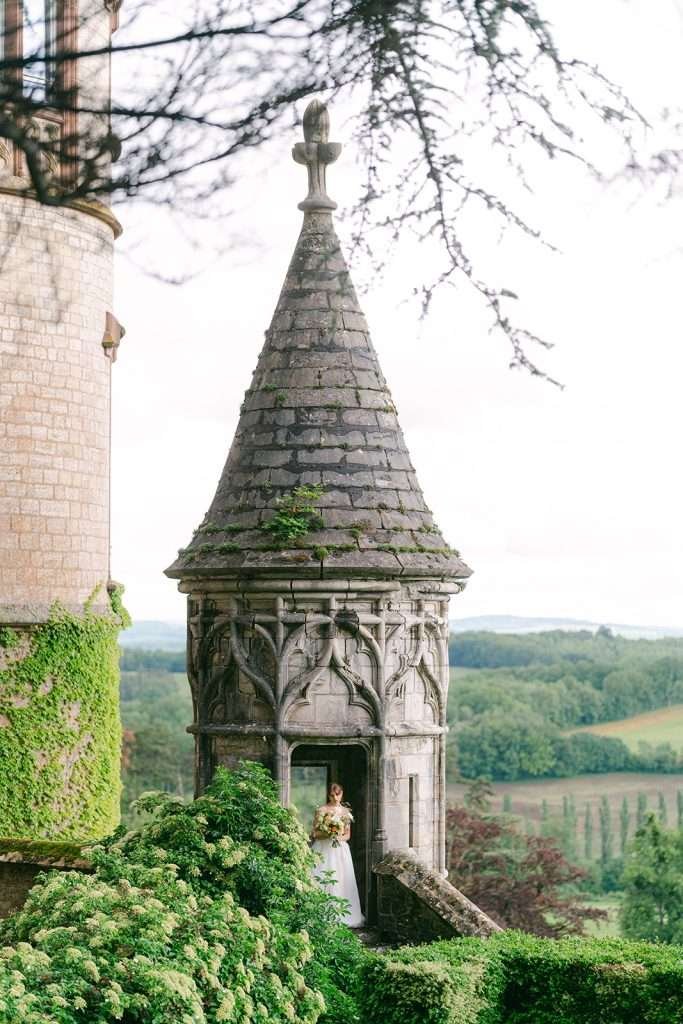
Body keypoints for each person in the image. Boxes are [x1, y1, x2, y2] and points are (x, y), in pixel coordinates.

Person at [310, 782, 365, 928]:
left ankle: (341, 915)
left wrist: (336, 837)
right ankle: (321, 914)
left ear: (342, 794)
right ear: (328, 795)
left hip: (340, 850)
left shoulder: (346, 812)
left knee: (341, 880)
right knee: (322, 877)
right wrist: (328, 834)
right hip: (323, 848)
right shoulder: (322, 810)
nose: (335, 797)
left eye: (338, 794)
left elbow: (347, 835)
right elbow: (314, 833)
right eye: (332, 795)